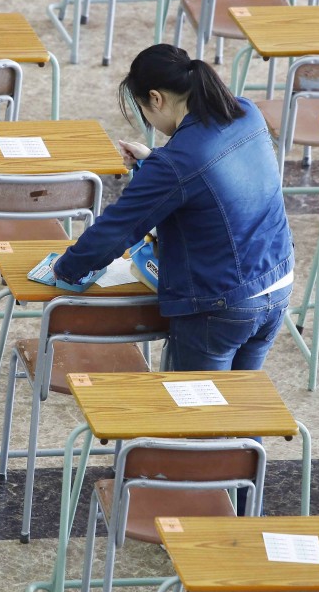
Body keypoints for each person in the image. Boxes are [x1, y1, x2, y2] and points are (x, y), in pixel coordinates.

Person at [53, 44, 293, 372]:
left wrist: (67, 269)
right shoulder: (247, 112)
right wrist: (154, 159)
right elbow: (218, 176)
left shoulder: (176, 164)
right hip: (277, 282)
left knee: (197, 414)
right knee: (236, 409)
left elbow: (117, 229)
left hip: (221, 303)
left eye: (142, 109)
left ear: (156, 98)